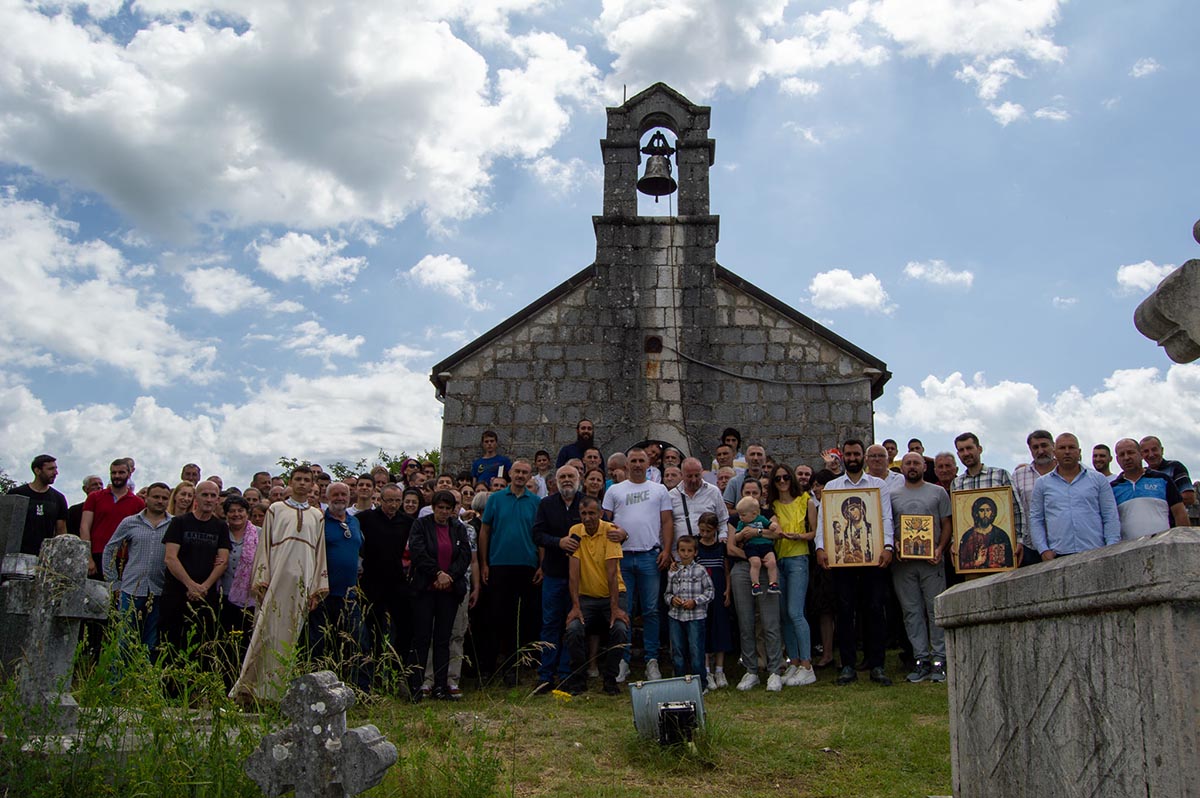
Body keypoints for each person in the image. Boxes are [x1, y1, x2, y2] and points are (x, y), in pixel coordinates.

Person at [230, 466, 329, 704]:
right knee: (265, 633)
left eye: (307, 480)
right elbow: (264, 547)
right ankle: (249, 690)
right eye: (298, 479)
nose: (302, 484)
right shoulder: (276, 509)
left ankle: (275, 693)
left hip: (301, 585)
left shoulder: (317, 516)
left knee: (289, 638)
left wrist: (316, 587)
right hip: (276, 581)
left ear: (313, 484)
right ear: (291, 482)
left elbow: (320, 554)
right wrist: (262, 580)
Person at [814, 439, 895, 687]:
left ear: (863, 457)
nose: (851, 457)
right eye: (848, 454)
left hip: (872, 558)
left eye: (856, 453)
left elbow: (885, 517)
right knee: (845, 611)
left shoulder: (878, 485)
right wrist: (820, 547)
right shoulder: (833, 486)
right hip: (842, 559)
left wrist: (888, 546)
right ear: (843, 458)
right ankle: (848, 664)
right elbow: (823, 520)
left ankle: (877, 664)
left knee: (874, 610)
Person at [602, 447, 671, 683]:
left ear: (649, 463)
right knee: (624, 610)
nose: (638, 464)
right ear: (626, 464)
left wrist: (668, 550)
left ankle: (652, 660)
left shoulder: (659, 489)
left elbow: (667, 521)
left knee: (651, 610)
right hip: (622, 556)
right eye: (633, 461)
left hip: (649, 556)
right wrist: (616, 532)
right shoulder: (614, 490)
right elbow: (605, 521)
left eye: (642, 460)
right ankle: (624, 659)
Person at [478, 459, 541, 685]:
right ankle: (487, 667)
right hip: (499, 565)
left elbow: (539, 536)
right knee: (495, 617)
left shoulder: (536, 502)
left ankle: (513, 668)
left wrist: (541, 565)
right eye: (517, 471)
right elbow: (485, 532)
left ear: (529, 476)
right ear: (510, 474)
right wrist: (484, 563)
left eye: (525, 472)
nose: (520, 475)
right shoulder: (495, 499)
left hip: (526, 566)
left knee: (521, 620)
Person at [890, 453, 952, 683]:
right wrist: (896, 544)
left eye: (917, 463)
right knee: (911, 611)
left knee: (935, 609)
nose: (912, 467)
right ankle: (921, 659)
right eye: (908, 463)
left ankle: (939, 659)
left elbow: (947, 524)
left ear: (925, 467)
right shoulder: (892, 495)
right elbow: (888, 525)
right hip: (903, 564)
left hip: (931, 562)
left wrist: (940, 548)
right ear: (902, 467)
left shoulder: (938, 492)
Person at [407, 490, 473, 701]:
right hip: (426, 588)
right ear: (433, 507)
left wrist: (449, 577)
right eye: (440, 508)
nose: (444, 512)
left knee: (444, 638)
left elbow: (464, 558)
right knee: (422, 637)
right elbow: (418, 552)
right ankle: (419, 684)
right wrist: (437, 573)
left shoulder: (458, 528)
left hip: (449, 591)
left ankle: (441, 685)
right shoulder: (420, 525)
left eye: (448, 508)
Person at [562, 496, 629, 695]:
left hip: (613, 595)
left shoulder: (610, 531)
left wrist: (615, 608)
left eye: (592, 513)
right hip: (586, 597)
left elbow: (611, 573)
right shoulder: (575, 532)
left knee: (620, 629)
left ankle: (610, 679)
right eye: (584, 513)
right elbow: (573, 574)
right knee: (573, 629)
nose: (588, 518)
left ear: (600, 513)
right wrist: (575, 606)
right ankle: (578, 679)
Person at [158, 480, 230, 658]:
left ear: (217, 500)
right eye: (204, 494)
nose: (209, 499)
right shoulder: (179, 523)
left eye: (213, 495)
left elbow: (223, 561)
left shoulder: (221, 526)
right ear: (196, 497)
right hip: (176, 593)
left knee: (201, 647)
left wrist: (204, 586)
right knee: (171, 645)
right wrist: (190, 585)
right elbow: (170, 557)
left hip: (207, 596)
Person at [102, 481, 172, 658]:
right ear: (147, 498)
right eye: (156, 497)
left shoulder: (174, 524)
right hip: (131, 589)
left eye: (164, 498)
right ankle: (116, 683)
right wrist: (113, 582)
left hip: (159, 590)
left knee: (151, 642)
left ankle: (143, 681)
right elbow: (110, 549)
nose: (160, 501)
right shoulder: (130, 522)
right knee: (123, 640)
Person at [728, 480, 785, 692]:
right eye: (747, 492)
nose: (751, 494)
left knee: (770, 621)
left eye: (755, 492)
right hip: (744, 568)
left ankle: (774, 670)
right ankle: (750, 669)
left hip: (766, 570)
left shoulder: (767, 514)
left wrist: (757, 534)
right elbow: (732, 547)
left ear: (761, 495)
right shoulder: (736, 517)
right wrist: (753, 556)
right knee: (746, 621)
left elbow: (776, 533)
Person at [530, 466, 583, 695]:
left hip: (580, 577)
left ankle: (565, 674)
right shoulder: (546, 504)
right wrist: (558, 542)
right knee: (550, 624)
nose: (567, 480)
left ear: (578, 479)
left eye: (571, 476)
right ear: (555, 481)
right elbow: (537, 534)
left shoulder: (587, 504)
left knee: (572, 626)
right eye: (563, 476)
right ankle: (546, 675)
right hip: (553, 574)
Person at [307, 482, 366, 689]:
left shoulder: (354, 522)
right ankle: (317, 689)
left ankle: (360, 689)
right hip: (324, 593)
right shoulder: (320, 521)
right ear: (327, 496)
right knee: (319, 644)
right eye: (335, 494)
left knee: (358, 642)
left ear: (350, 497)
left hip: (349, 594)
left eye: (344, 494)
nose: (340, 498)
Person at [357, 483, 416, 689]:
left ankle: (396, 673)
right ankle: (371, 677)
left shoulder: (408, 522)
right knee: (373, 630)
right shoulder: (365, 519)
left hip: (398, 584)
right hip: (372, 583)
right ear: (380, 500)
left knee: (402, 630)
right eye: (389, 500)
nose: (393, 505)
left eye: (397, 501)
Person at [1029, 433, 1121, 559]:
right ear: (1055, 452)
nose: (1067, 452)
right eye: (1062, 448)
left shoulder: (1098, 479)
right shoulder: (1042, 483)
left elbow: (1110, 514)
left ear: (1079, 452)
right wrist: (1043, 549)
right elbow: (1036, 518)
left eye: (1071, 448)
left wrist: (1111, 546)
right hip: (1058, 553)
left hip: (1095, 550)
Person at [767, 464, 816, 687]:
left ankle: (807, 665)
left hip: (798, 557)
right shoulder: (773, 505)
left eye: (786, 477)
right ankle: (794, 662)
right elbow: (771, 528)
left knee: (796, 612)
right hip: (779, 560)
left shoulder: (806, 500)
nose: (783, 481)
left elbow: (814, 532)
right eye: (778, 479)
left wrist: (799, 536)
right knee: (785, 614)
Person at [951, 432, 1027, 565]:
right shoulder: (957, 483)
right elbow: (956, 519)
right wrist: (954, 542)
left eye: (969, 448)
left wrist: (1019, 540)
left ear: (979, 449)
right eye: (961, 450)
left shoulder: (1000, 475)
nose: (966, 453)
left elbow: (1016, 509)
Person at [1110, 438, 1189, 538]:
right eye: (1122, 454)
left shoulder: (1162, 479)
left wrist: (1183, 539)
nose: (1126, 458)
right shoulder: (1113, 488)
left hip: (1163, 546)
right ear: (1117, 460)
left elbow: (1179, 512)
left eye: (1130, 452)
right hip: (1128, 550)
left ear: (1140, 455)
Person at [80, 459, 146, 577]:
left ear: (129, 474)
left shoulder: (138, 503)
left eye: (121, 473)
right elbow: (85, 527)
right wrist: (88, 557)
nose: (117, 476)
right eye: (113, 473)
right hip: (97, 554)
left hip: (124, 558)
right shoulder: (94, 497)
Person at [664, 535, 714, 690]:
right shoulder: (673, 571)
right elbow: (667, 593)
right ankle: (680, 684)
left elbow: (710, 592)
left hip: (696, 616)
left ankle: (701, 685)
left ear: (695, 552)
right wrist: (672, 600)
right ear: (678, 551)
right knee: (677, 651)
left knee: (696, 651)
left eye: (689, 551)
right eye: (682, 550)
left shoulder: (700, 571)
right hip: (676, 616)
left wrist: (696, 601)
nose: (685, 554)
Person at [694, 513, 731, 688]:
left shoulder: (721, 548)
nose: (705, 534)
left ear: (715, 530)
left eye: (708, 531)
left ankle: (720, 670)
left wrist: (728, 591)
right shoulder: (695, 547)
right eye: (702, 530)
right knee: (704, 630)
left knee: (720, 629)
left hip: (718, 593)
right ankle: (706, 670)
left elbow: (726, 571)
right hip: (701, 597)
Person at [9, 454, 69, 556]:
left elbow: (61, 531)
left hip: (45, 556)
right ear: (37, 471)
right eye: (50, 469)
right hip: (16, 554)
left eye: (56, 469)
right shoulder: (16, 493)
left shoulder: (59, 498)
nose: (55, 473)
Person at [1011, 430, 1055, 567]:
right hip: (1030, 546)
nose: (1040, 451)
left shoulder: (1064, 472)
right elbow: (1014, 510)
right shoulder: (1018, 475)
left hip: (1062, 542)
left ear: (1053, 446)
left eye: (1044, 445)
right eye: (1035, 447)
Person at [669, 458, 729, 557]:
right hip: (680, 555)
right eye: (689, 476)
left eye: (697, 475)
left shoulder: (713, 492)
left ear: (701, 473)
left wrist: (722, 539)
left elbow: (723, 520)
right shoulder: (671, 496)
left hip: (708, 552)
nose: (694, 480)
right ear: (682, 475)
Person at [733, 497, 777, 595]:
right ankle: (755, 584)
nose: (741, 517)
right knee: (756, 563)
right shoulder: (742, 523)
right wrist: (742, 533)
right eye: (739, 515)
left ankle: (773, 583)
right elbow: (736, 537)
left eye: (743, 515)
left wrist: (772, 525)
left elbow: (770, 525)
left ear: (754, 513)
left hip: (765, 545)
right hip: (752, 546)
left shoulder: (761, 518)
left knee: (772, 562)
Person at [1139, 436, 1195, 506]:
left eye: (1154, 450)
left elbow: (1189, 498)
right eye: (1146, 451)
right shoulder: (1142, 475)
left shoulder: (1174, 467)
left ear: (1162, 450)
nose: (1151, 454)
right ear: (1141, 455)